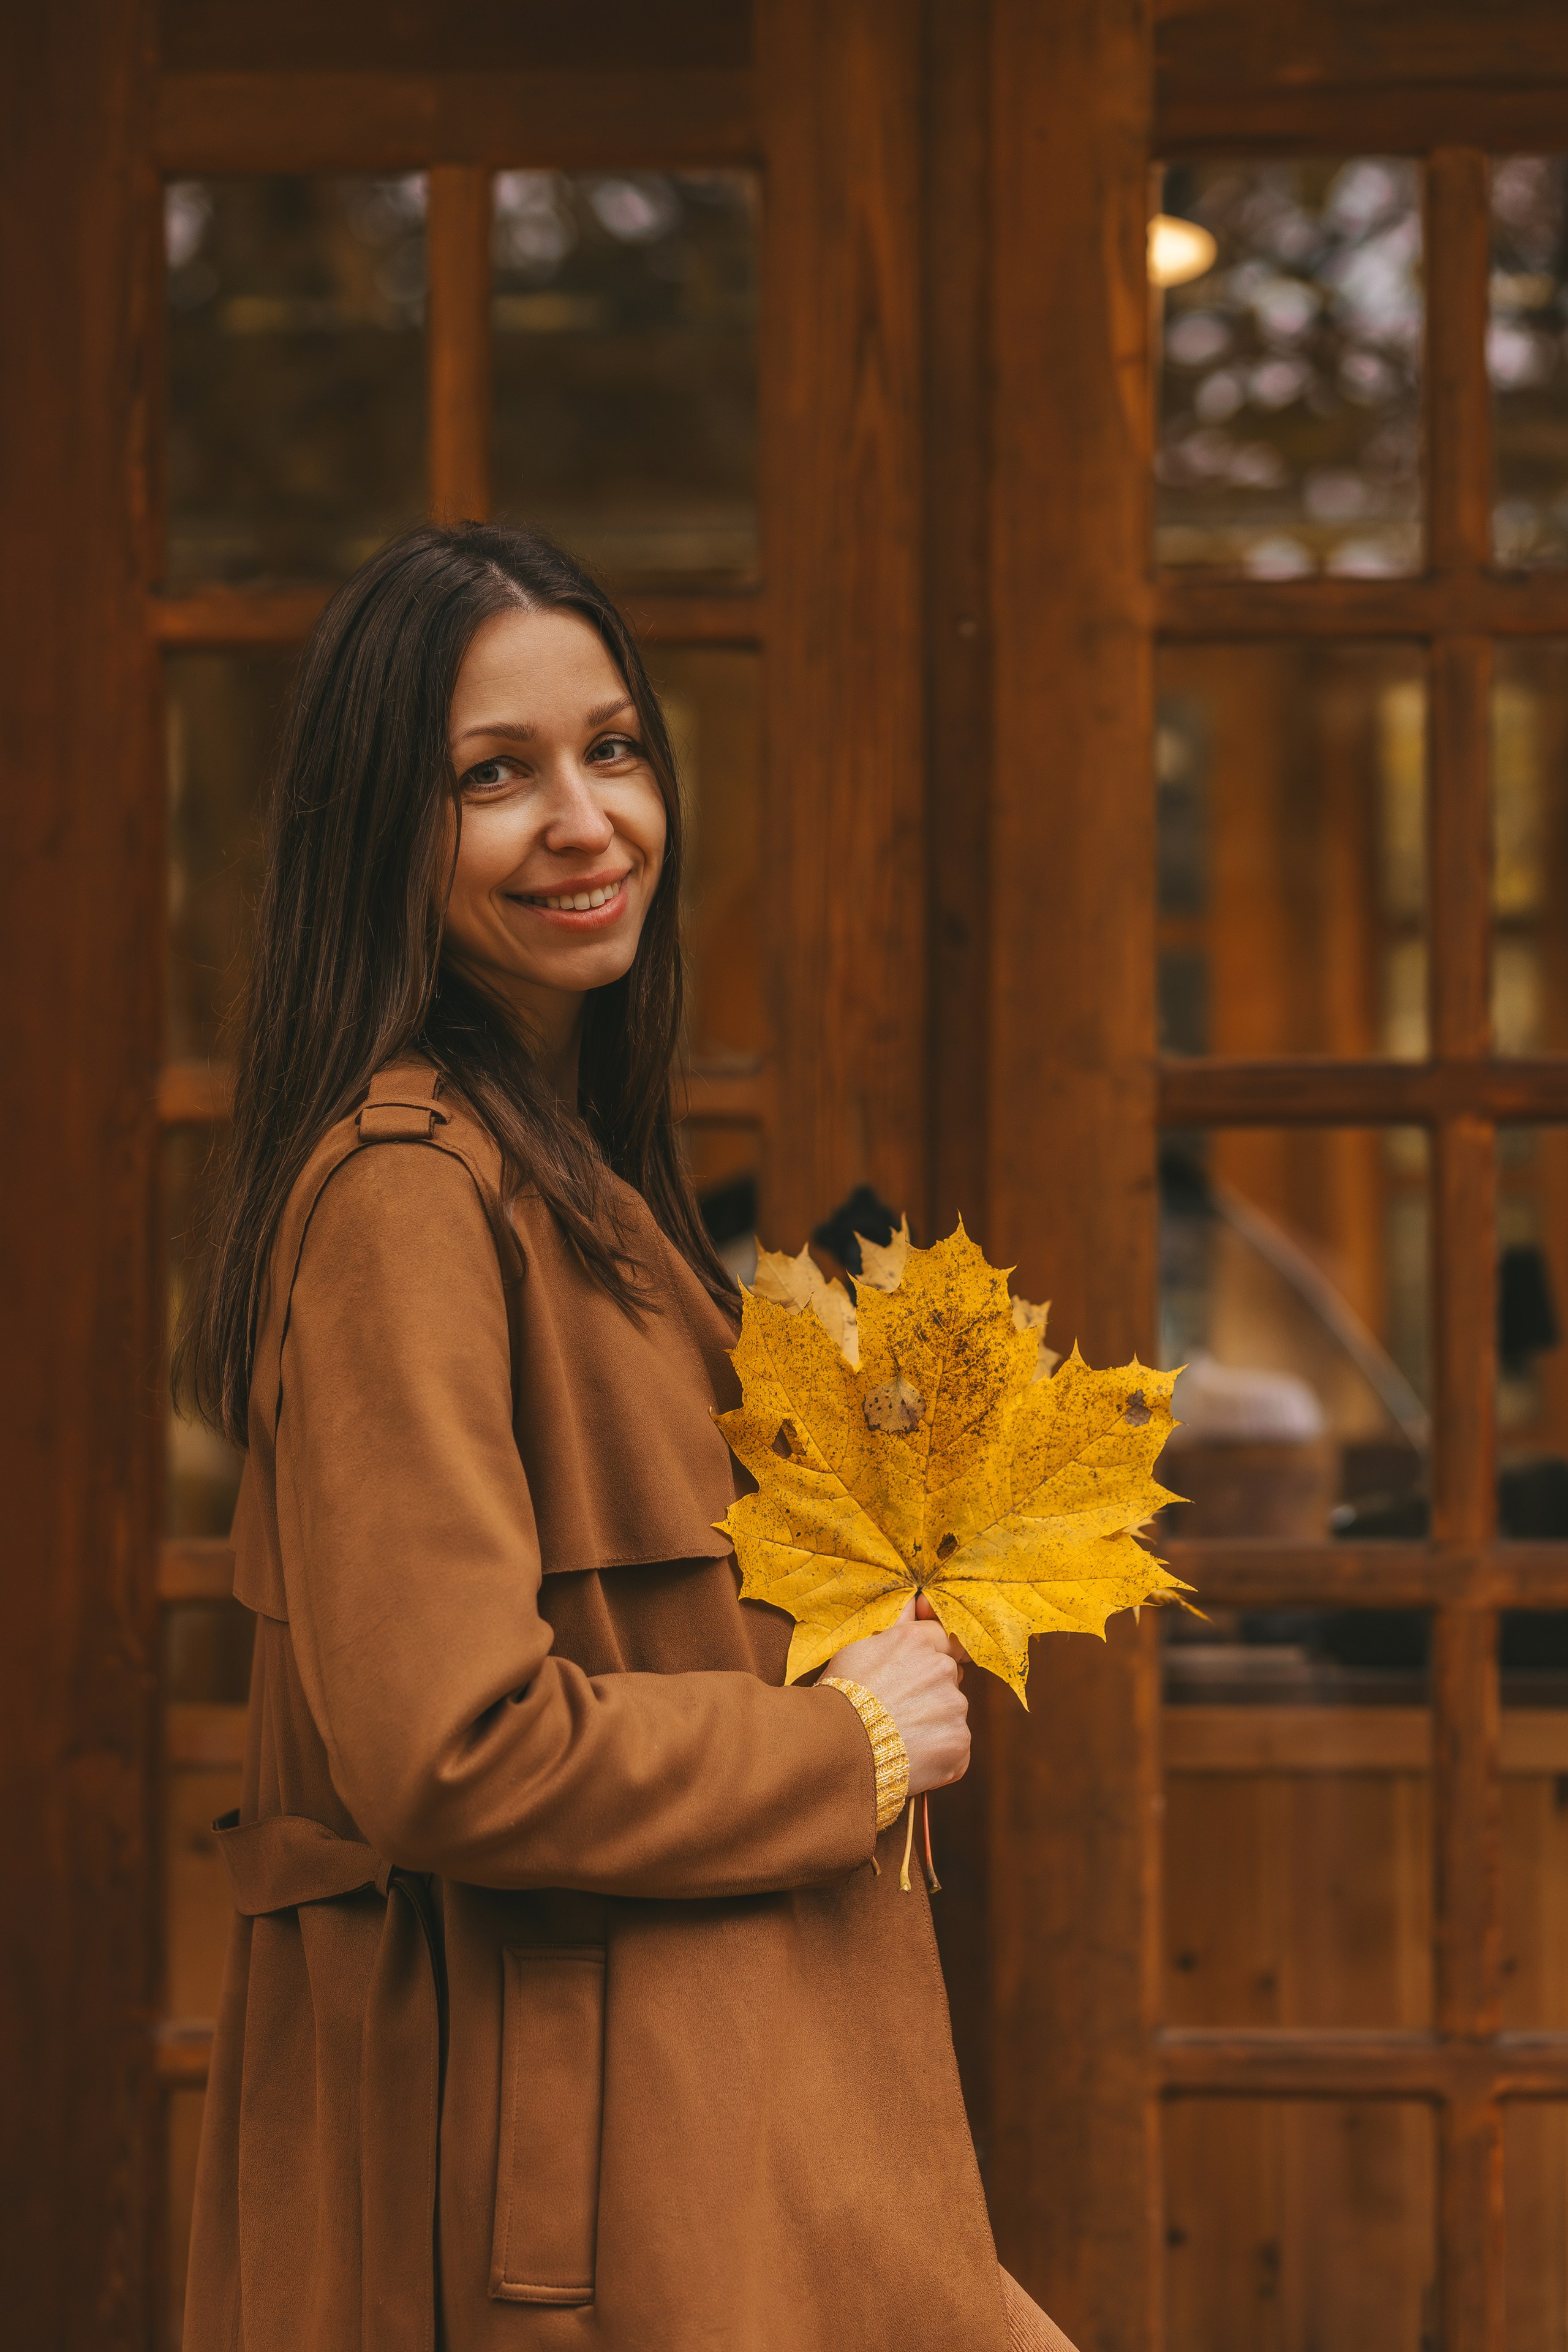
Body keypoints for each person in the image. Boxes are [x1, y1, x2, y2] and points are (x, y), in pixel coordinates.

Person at [177, 521, 1077, 2352]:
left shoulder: (569, 1176)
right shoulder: (408, 1197)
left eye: (613, 750)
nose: (585, 821)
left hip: (704, 2137)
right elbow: (454, 1749)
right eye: (492, 777)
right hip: (576, 2208)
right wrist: (844, 1744)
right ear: (379, 830)